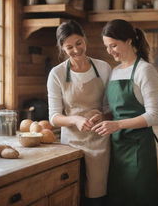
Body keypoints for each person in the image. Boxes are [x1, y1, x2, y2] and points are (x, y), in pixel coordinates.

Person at [92, 19, 158, 206]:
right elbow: (112, 110)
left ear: (129, 40)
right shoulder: (114, 72)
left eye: (113, 45)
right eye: (107, 46)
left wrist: (117, 124)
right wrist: (103, 117)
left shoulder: (145, 70)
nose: (110, 51)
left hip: (139, 148)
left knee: (139, 197)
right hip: (117, 146)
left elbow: (154, 115)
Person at [47, 20, 111, 206]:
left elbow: (110, 109)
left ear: (85, 39)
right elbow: (53, 117)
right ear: (61, 48)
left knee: (97, 197)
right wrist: (74, 119)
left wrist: (103, 115)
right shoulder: (57, 74)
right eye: (69, 47)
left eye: (79, 43)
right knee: (72, 194)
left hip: (100, 142)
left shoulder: (103, 68)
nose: (76, 50)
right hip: (71, 144)